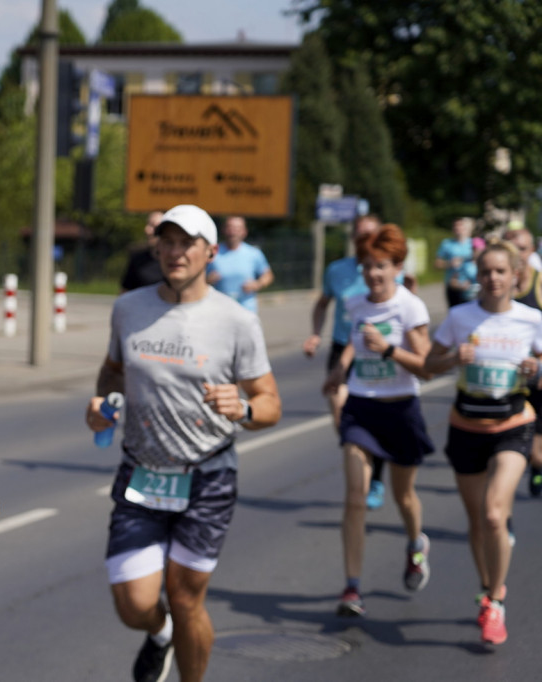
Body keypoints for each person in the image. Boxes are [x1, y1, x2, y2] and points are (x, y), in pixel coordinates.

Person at [85, 204, 281, 682]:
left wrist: (245, 409)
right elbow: (112, 372)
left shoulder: (235, 321)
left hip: (207, 475)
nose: (175, 253)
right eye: (167, 242)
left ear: (209, 252)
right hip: (141, 472)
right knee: (133, 603)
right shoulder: (129, 308)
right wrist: (101, 406)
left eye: (186, 243)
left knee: (187, 595)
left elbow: (270, 401)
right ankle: (159, 633)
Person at [424, 241, 541, 645]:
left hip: (514, 424)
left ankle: (495, 600)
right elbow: (427, 366)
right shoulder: (459, 317)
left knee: (494, 514)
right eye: (486, 271)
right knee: (476, 519)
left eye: (500, 272)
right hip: (466, 426)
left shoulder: (531, 320)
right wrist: (453, 359)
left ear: (515, 276)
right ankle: (487, 585)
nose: (493, 278)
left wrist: (538, 369)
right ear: (478, 275)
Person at [322, 223, 434, 618]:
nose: (374, 273)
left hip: (401, 409)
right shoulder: (356, 303)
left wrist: (388, 350)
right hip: (362, 409)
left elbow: (426, 368)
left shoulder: (409, 306)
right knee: (355, 496)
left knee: (404, 496)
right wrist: (340, 370)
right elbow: (356, 339)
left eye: (382, 265)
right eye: (368, 265)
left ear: (398, 266)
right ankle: (352, 588)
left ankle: (415, 544)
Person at [303, 214, 414, 511]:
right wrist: (315, 333)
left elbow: (403, 300)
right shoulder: (336, 270)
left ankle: (374, 478)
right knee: (342, 415)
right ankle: (364, 456)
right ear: (353, 238)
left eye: (370, 233)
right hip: (344, 347)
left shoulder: (387, 269)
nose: (365, 238)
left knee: (370, 418)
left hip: (378, 351)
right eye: (360, 234)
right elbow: (323, 303)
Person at [504, 227, 542, 498]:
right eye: (511, 248)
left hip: (537, 377)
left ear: (532, 252)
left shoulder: (539, 284)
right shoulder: (496, 286)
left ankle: (537, 467)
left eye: (523, 249)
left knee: (536, 452)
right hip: (505, 381)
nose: (517, 254)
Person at [206, 215, 273, 312]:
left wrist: (257, 284)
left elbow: (268, 275)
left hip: (246, 309)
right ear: (223, 230)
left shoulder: (253, 253)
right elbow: (197, 278)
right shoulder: (213, 252)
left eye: (237, 228)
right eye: (229, 227)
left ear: (244, 232)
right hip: (220, 310)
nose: (233, 232)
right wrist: (207, 280)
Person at [120, 211, 165, 292]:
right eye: (147, 224)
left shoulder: (176, 261)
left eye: (153, 226)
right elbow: (124, 293)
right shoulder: (138, 259)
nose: (147, 230)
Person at [436, 217, 476, 308]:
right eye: (455, 226)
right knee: (454, 313)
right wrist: (449, 263)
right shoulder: (447, 244)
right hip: (453, 285)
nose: (458, 228)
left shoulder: (473, 243)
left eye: (460, 226)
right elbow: (437, 264)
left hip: (469, 285)